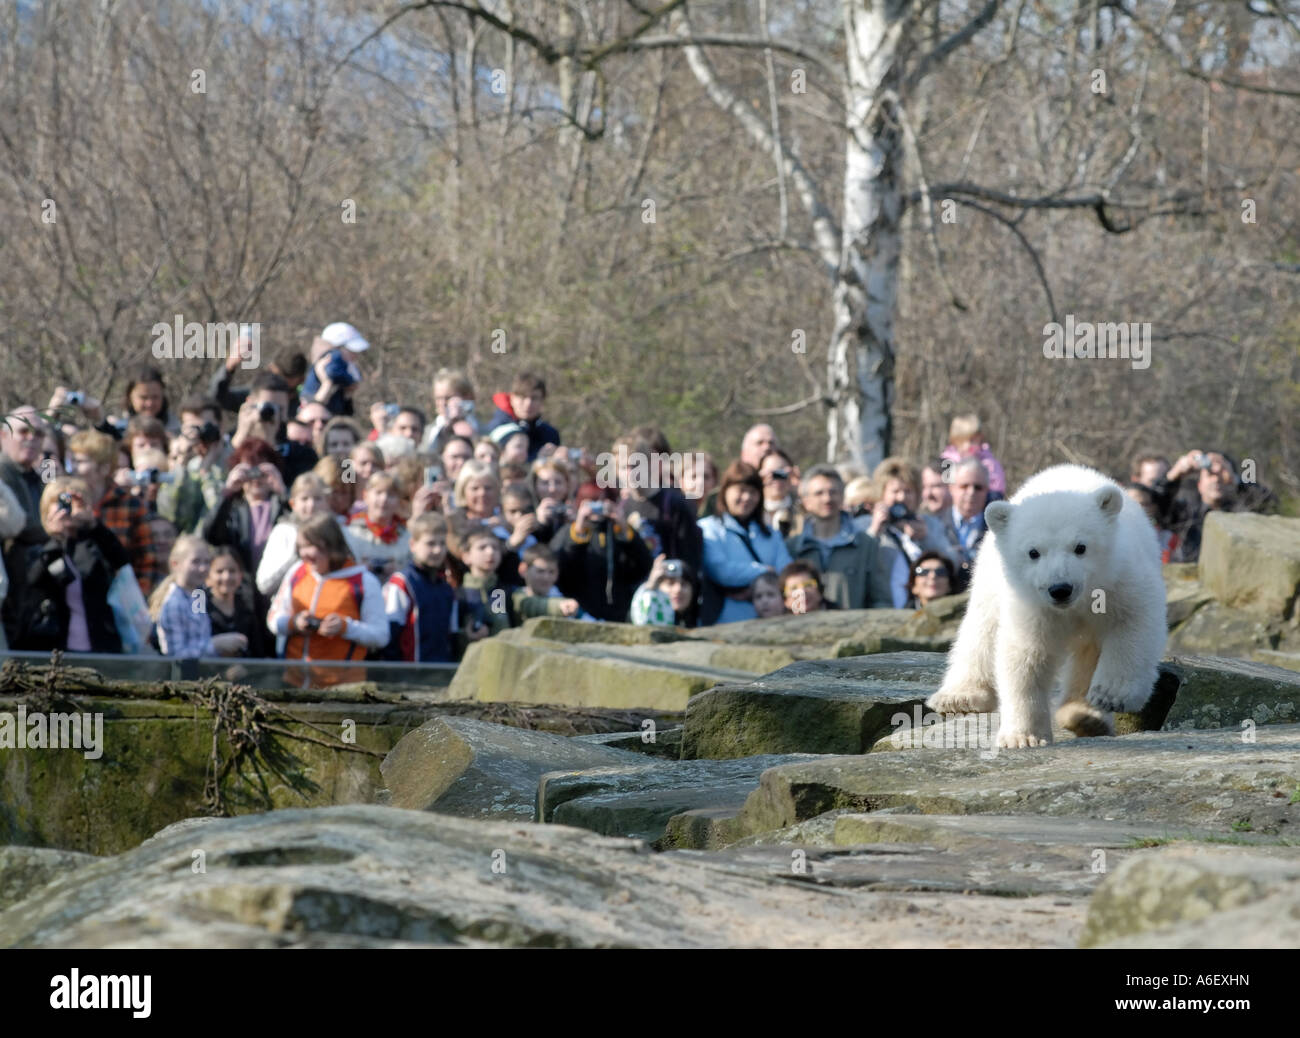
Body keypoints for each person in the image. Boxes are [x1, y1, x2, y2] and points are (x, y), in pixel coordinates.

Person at [268, 513, 389, 687]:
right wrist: (295, 623)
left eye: (309, 546)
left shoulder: (363, 581)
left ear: (331, 545)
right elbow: (273, 619)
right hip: (294, 683)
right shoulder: (297, 572)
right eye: (300, 547)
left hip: (343, 688)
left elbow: (381, 636)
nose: (304, 554)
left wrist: (345, 627)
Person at [14, 478, 132, 653]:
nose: (67, 509)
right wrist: (56, 540)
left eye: (74, 502)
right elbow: (33, 581)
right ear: (47, 509)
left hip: (100, 646)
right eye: (61, 501)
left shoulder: (94, 543)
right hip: (52, 648)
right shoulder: (36, 546)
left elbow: (121, 562)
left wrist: (93, 524)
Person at [67, 429, 167, 597]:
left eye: (81, 462)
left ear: (104, 468)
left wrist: (136, 599)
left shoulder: (130, 505)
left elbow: (146, 560)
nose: (74, 469)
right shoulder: (66, 500)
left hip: (119, 600)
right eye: (73, 462)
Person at [784, 464, 891, 611]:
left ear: (842, 497)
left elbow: (881, 600)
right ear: (806, 501)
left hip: (852, 631)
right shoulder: (792, 548)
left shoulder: (866, 545)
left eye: (833, 492)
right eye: (819, 493)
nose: (827, 498)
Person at [698, 461, 792, 625]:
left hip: (772, 623)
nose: (747, 498)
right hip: (726, 622)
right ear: (725, 491)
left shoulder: (771, 534)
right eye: (741, 491)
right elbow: (721, 571)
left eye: (753, 492)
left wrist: (759, 585)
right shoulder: (708, 529)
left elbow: (786, 572)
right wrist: (764, 572)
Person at [552, 486, 652, 622]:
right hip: (579, 611)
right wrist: (579, 531)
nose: (597, 507)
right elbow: (559, 567)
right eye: (591, 502)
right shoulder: (568, 532)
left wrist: (625, 531)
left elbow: (643, 566)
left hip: (619, 611)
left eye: (603, 502)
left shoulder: (620, 531)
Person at [864, 456, 952, 607]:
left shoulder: (930, 524)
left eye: (908, 491)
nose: (902, 497)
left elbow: (952, 563)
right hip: (882, 612)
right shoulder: (866, 525)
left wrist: (927, 538)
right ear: (883, 494)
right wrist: (874, 531)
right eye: (895, 491)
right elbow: (859, 566)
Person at [1160, 449, 1276, 563]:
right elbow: (1156, 506)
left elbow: (1269, 503)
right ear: (1199, 484)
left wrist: (1236, 480)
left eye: (1221, 475)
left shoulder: (1242, 512)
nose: (1216, 479)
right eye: (1210, 474)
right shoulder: (1185, 513)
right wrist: (1174, 475)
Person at [613, 427, 702, 573]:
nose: (631, 473)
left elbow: (690, 558)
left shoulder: (675, 504)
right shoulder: (621, 508)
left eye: (636, 465)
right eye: (624, 467)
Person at [201, 438, 288, 578]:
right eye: (249, 471)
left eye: (261, 471)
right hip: (241, 584)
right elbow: (211, 535)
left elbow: (301, 528)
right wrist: (227, 493)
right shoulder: (232, 508)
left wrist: (283, 492)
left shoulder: (281, 505)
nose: (256, 479)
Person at [150, 536, 247, 658]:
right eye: (196, 562)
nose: (203, 568)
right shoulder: (173, 603)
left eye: (207, 562)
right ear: (175, 564)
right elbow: (175, 655)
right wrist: (216, 644)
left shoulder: (198, 595)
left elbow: (201, 636)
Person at [383, 512, 459, 663]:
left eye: (442, 544)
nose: (438, 550)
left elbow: (452, 636)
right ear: (413, 545)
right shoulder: (401, 583)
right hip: (408, 674)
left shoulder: (447, 588)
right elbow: (390, 638)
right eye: (430, 544)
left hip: (440, 673)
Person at [229, 373, 318, 485]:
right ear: (249, 404)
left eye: (280, 409)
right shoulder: (225, 444)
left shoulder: (302, 455)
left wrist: (269, 443)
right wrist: (241, 434)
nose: (273, 414)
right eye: (268, 407)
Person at [156, 398, 229, 535]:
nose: (200, 434)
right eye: (192, 429)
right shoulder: (181, 465)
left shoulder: (234, 460)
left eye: (206, 427)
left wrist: (206, 469)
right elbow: (168, 514)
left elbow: (220, 513)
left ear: (220, 426)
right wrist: (181, 462)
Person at [934, 458, 990, 585]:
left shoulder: (996, 528)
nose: (971, 492)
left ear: (987, 490)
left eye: (978, 487)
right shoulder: (934, 524)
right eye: (964, 486)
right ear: (951, 488)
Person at [484, 371, 560, 461]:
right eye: (523, 397)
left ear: (542, 401)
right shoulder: (498, 428)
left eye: (534, 398)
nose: (528, 403)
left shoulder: (550, 434)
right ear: (512, 398)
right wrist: (538, 459)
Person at [347, 471, 410, 579]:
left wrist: (400, 570)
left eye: (391, 495)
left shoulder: (407, 537)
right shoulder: (349, 533)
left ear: (399, 501)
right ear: (365, 495)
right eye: (378, 492)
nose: (384, 499)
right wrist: (357, 568)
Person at [206, 546, 267, 657]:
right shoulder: (201, 611)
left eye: (232, 571)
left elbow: (258, 653)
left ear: (241, 575)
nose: (227, 577)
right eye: (219, 571)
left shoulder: (248, 610)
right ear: (208, 576)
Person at [457, 528, 515, 639]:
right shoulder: (458, 595)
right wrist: (466, 636)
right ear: (466, 556)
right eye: (482, 547)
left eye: (495, 548)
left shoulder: (504, 591)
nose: (490, 552)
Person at [302, 322, 369, 416]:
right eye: (352, 351)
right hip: (315, 401)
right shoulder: (333, 356)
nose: (356, 355)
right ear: (339, 347)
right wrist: (349, 381)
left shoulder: (340, 360)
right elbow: (332, 372)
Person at [940, 414, 1007, 498]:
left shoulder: (989, 463)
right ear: (954, 440)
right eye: (963, 441)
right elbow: (944, 490)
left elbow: (997, 491)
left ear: (980, 439)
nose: (968, 445)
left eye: (972, 441)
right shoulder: (948, 462)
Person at [512, 543, 583, 620]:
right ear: (523, 570)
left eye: (551, 572)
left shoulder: (559, 596)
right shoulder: (517, 595)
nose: (546, 577)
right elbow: (529, 605)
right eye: (540, 571)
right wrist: (560, 606)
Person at [421, 368, 480, 453]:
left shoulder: (481, 429)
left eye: (448, 398)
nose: (443, 403)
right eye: (438, 398)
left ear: (466, 397)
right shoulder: (428, 432)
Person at [629, 556, 698, 627]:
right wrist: (650, 588)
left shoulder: (702, 619)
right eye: (670, 584)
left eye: (683, 584)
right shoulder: (646, 615)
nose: (678, 589)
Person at [757, 448, 799, 538]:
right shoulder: (752, 512)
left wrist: (800, 487)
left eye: (781, 472)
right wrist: (754, 484)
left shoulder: (801, 512)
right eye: (770, 473)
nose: (777, 479)